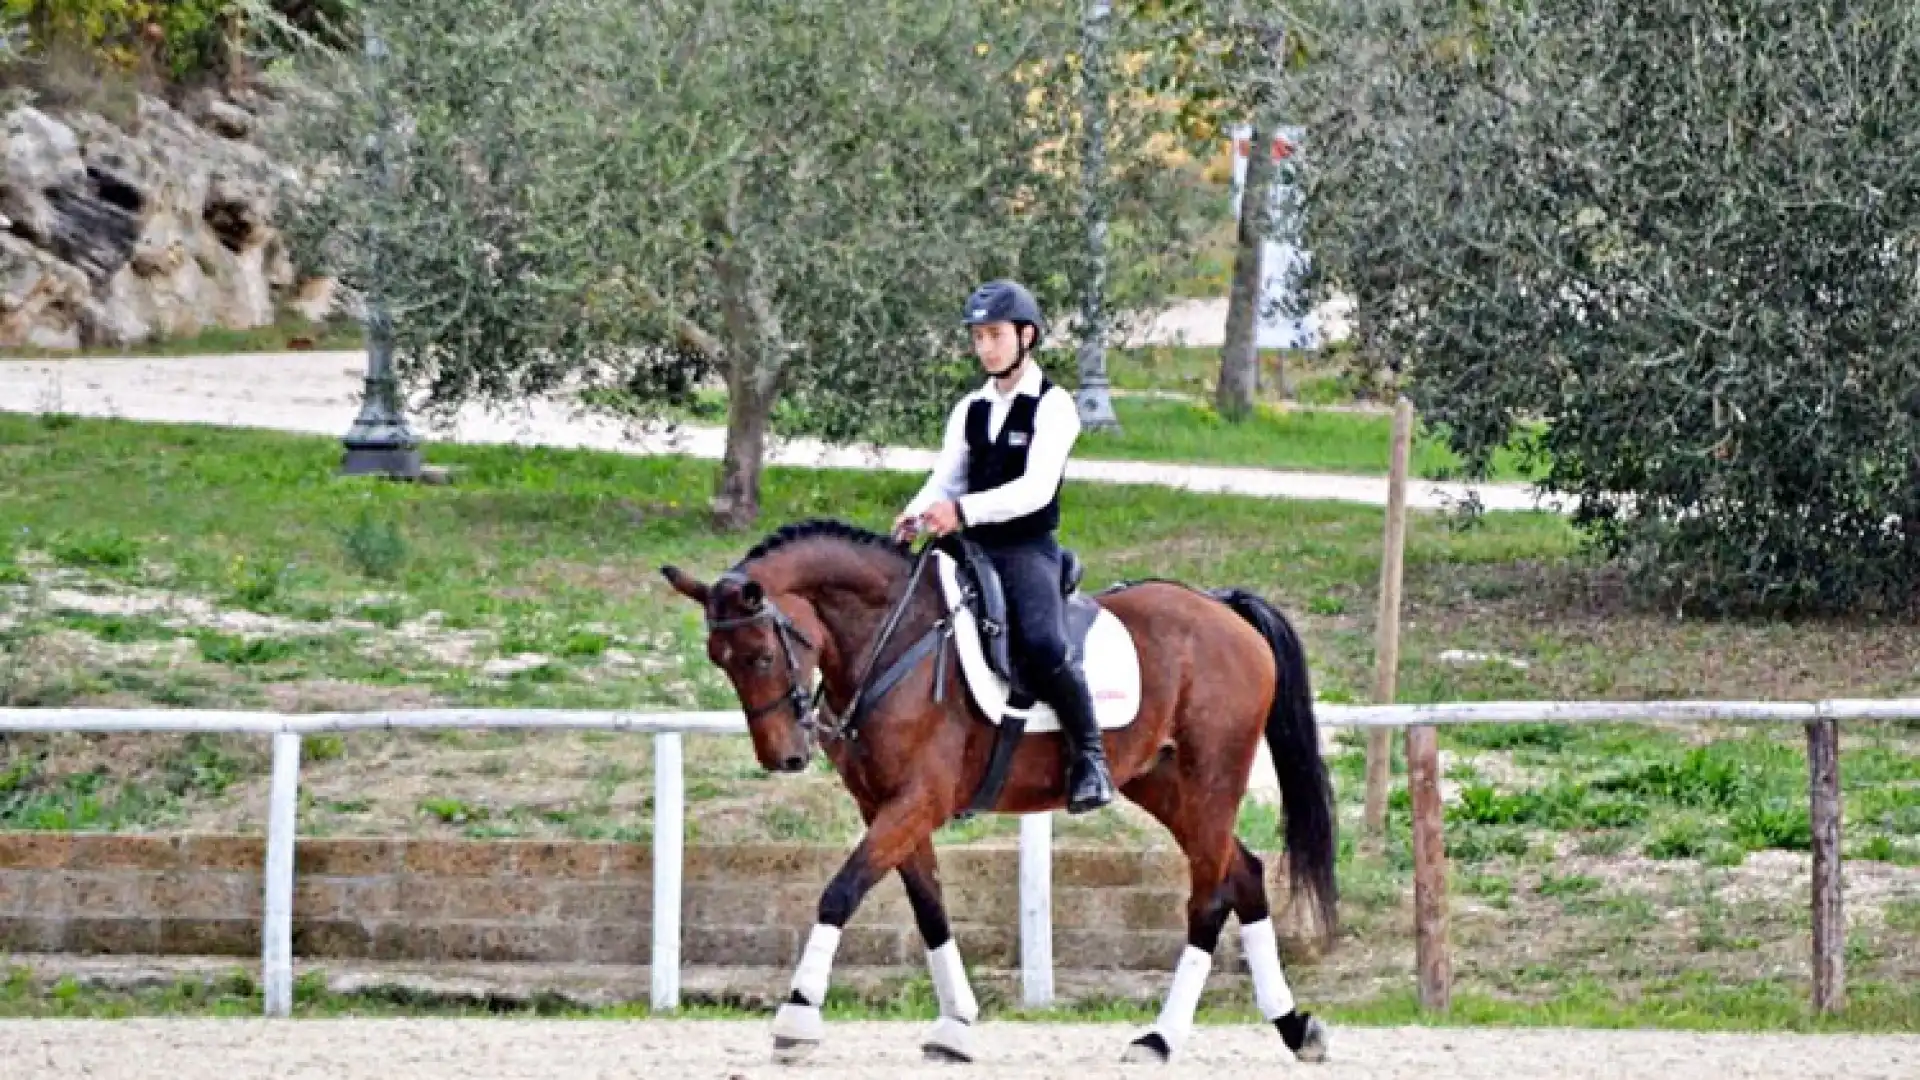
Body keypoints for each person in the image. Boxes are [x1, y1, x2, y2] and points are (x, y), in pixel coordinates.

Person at [893, 279, 1115, 814]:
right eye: (977, 338)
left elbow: (1035, 489)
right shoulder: (969, 407)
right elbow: (947, 477)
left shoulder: (1054, 406)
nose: (985, 347)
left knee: (1041, 642)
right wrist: (916, 513)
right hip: (967, 545)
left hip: (1025, 548)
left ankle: (1091, 755)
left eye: (994, 335)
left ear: (1026, 335)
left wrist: (962, 511)